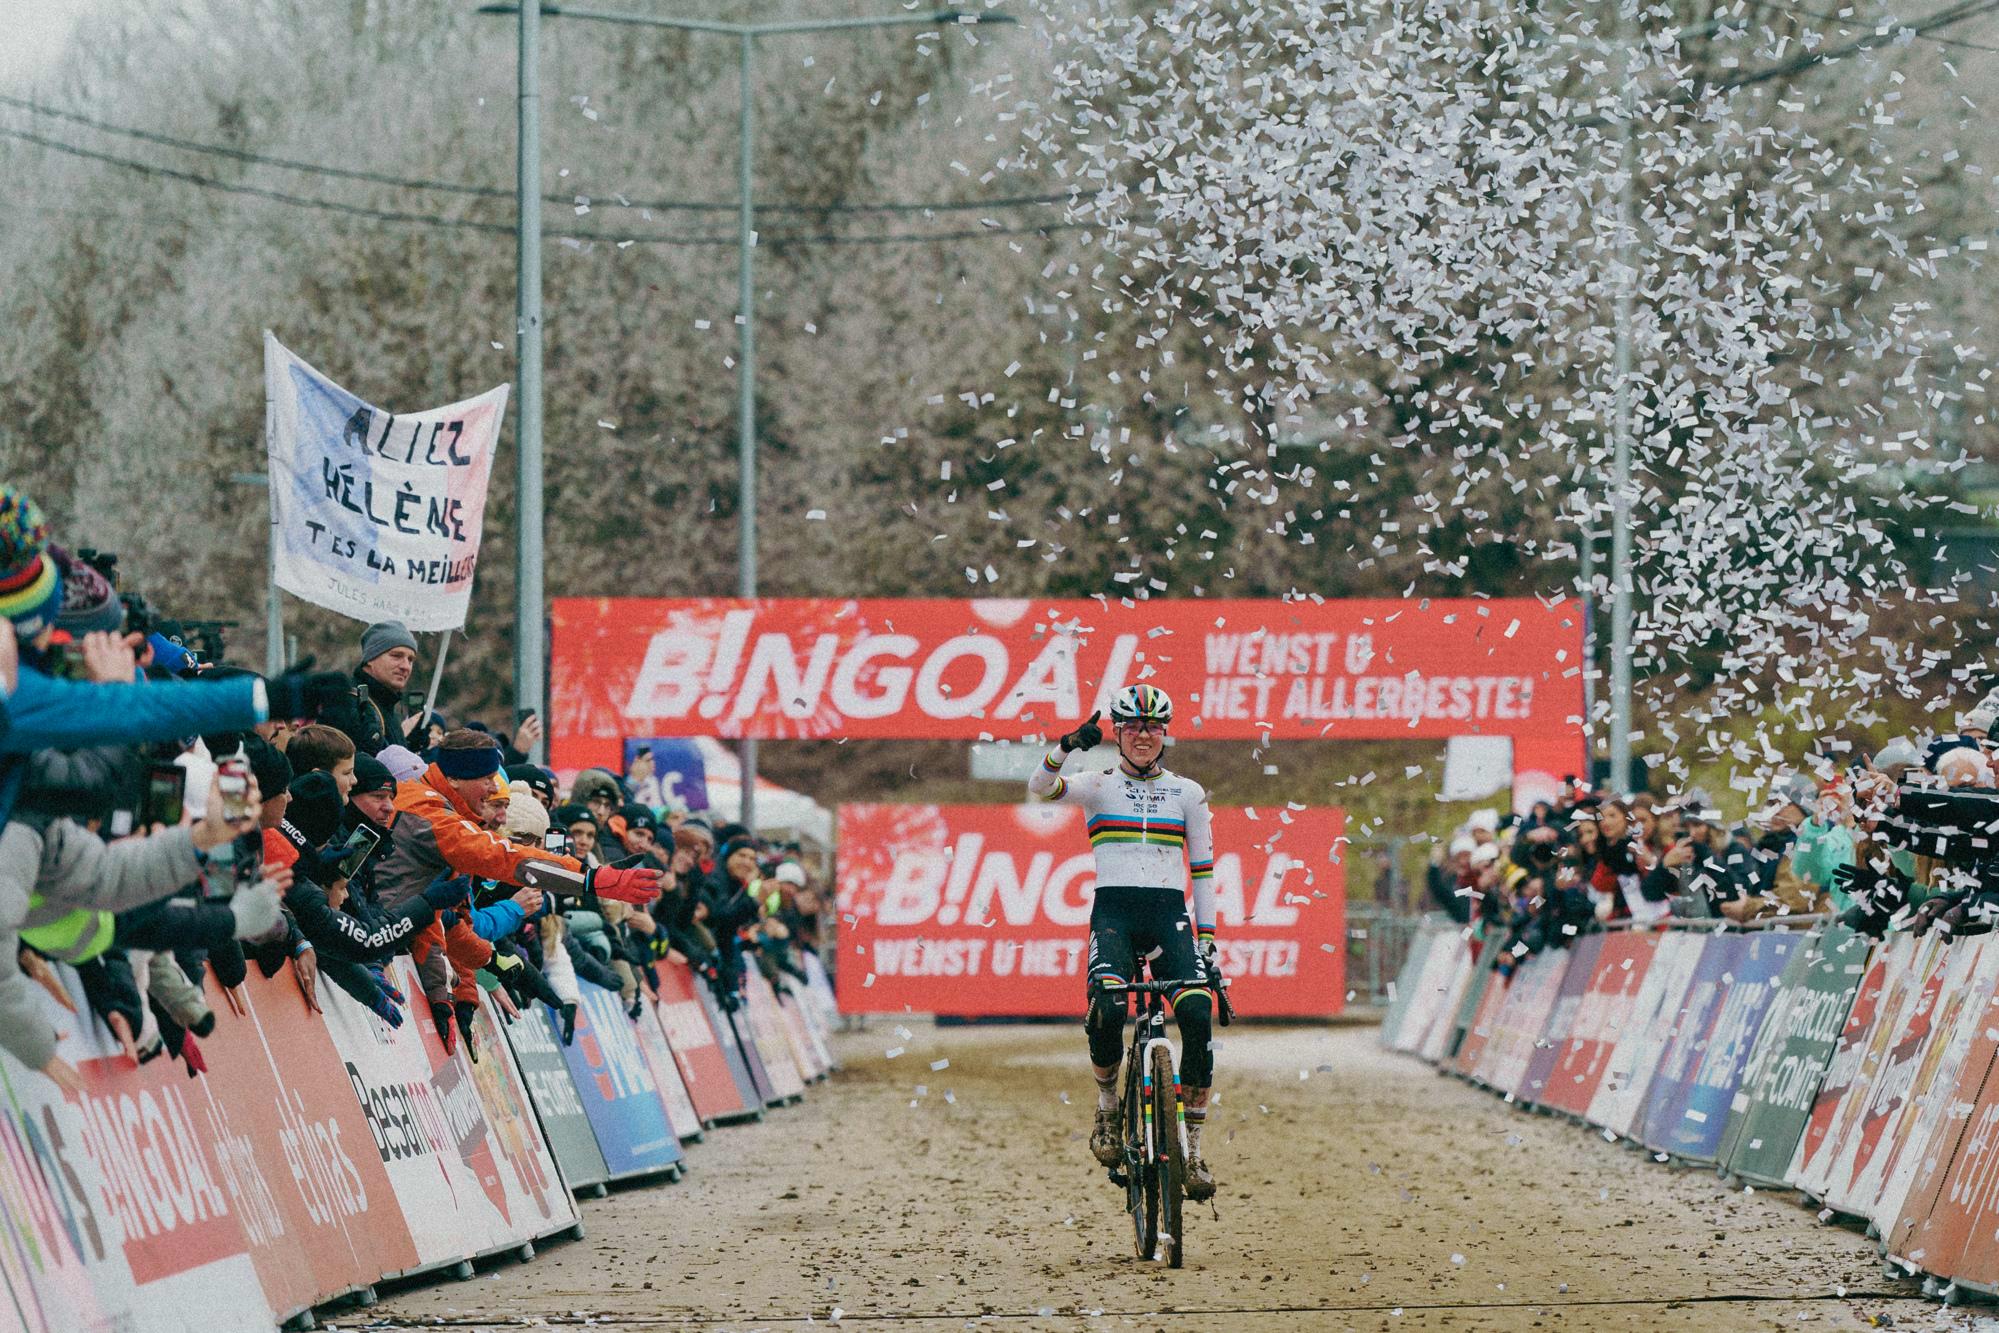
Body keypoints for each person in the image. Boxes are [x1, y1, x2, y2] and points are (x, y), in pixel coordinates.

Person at [1027, 685, 1220, 1201]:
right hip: (1113, 914)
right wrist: (1066, 746)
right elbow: (1039, 787)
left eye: (1153, 727)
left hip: (1169, 917)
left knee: (1199, 1019)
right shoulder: (1098, 785)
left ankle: (1194, 1153)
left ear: (1165, 734)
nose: (1142, 735)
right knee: (1110, 1009)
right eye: (1132, 726)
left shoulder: (1188, 793)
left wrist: (1209, 943)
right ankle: (1110, 1111)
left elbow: (1201, 871)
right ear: (1116, 732)